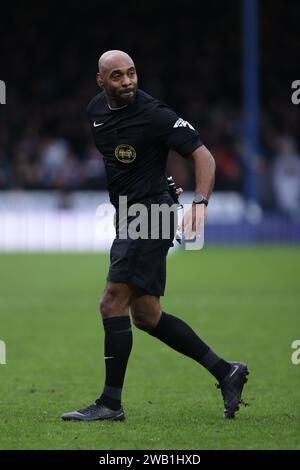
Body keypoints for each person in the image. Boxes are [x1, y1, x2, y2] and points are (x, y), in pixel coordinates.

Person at [62, 50, 249, 422]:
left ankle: (110, 404)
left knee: (111, 302)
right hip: (130, 213)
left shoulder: (155, 113)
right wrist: (156, 178)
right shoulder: (96, 111)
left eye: (132, 73)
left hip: (150, 215)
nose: (127, 81)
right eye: (117, 76)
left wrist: (201, 203)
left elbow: (204, 156)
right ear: (101, 81)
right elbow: (125, 160)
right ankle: (226, 371)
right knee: (147, 316)